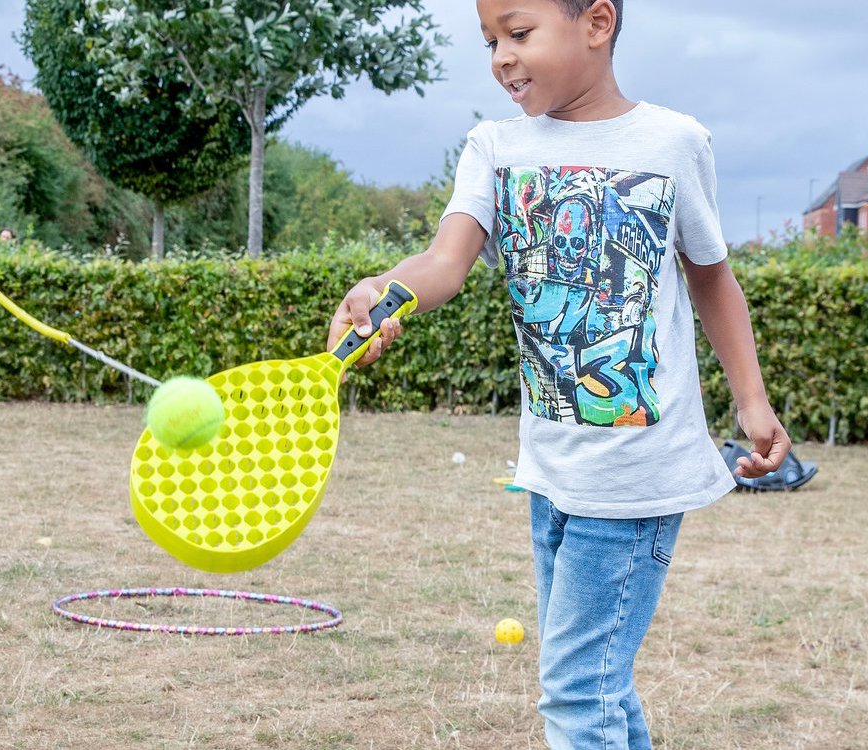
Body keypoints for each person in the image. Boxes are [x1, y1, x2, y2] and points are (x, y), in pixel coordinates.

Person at [323, 1, 790, 747]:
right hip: (552, 470)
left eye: (518, 33)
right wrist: (382, 288)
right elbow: (445, 262)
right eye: (489, 42)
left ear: (597, 23)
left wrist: (752, 400)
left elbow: (711, 277)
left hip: (636, 473)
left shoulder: (673, 142)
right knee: (598, 684)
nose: (501, 57)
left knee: (576, 694)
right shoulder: (495, 147)